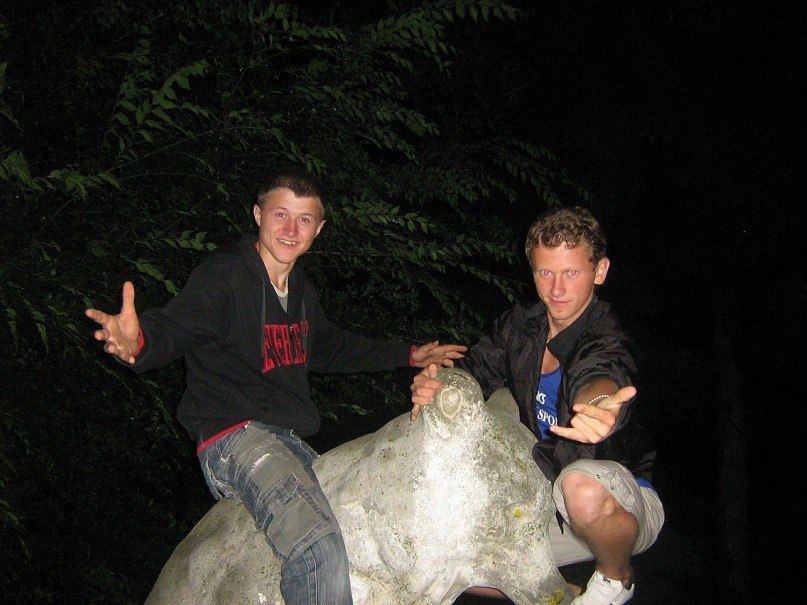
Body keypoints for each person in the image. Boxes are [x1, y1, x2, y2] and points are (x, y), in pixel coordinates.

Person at [86, 167, 467, 605]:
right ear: (257, 215)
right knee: (316, 548)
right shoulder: (226, 276)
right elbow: (179, 325)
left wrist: (409, 355)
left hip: (288, 441)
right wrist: (139, 342)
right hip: (234, 436)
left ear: (318, 229)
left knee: (357, 534)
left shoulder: (301, 290)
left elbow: (328, 347)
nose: (290, 229)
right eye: (280, 214)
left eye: (304, 219)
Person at [410, 206, 663, 605]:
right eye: (546, 272)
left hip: (616, 506)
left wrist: (598, 405)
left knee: (579, 486)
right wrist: (436, 384)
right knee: (459, 565)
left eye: (572, 272)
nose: (557, 288)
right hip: (546, 495)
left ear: (599, 271)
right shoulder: (522, 325)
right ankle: (566, 596)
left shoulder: (606, 335)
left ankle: (616, 579)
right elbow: (474, 372)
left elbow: (601, 373)